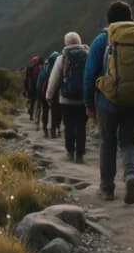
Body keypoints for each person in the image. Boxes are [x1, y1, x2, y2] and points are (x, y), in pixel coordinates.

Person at [84, 1, 134, 204]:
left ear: (109, 20)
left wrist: (89, 104)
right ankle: (131, 174)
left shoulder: (101, 40)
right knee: (129, 141)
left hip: (108, 100)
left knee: (108, 142)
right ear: (131, 17)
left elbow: (89, 75)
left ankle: (107, 188)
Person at [47, 33, 89, 162]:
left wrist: (49, 95)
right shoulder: (88, 56)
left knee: (69, 125)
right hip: (83, 99)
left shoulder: (62, 58)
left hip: (66, 100)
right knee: (81, 126)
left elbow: (54, 78)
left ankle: (70, 151)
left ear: (66, 43)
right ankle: (80, 154)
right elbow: (92, 75)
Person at [37, 51, 60, 138]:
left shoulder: (44, 68)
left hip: (44, 93)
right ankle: (54, 130)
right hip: (56, 93)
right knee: (55, 112)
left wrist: (39, 92)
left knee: (45, 110)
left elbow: (40, 81)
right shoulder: (59, 67)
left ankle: (45, 128)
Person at [24, 56, 43, 123]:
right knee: (38, 103)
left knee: (32, 102)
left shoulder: (30, 69)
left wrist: (26, 89)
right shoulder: (41, 69)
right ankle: (37, 116)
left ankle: (32, 115)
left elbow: (26, 80)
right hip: (39, 88)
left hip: (32, 89)